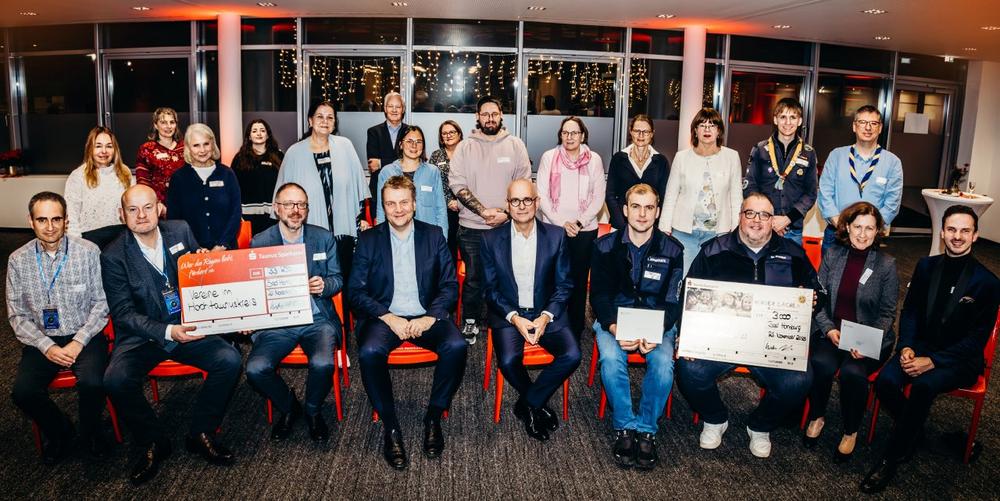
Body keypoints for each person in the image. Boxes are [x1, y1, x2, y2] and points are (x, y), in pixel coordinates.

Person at [101, 185, 242, 485]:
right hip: (143, 336)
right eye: (132, 209)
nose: (141, 215)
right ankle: (153, 440)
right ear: (121, 214)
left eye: (147, 207)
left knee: (229, 360)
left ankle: (200, 432)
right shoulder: (113, 255)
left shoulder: (180, 231)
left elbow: (201, 282)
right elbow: (123, 314)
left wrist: (205, 264)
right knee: (115, 380)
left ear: (159, 208)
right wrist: (167, 331)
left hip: (186, 326)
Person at [860, 205, 1000, 494]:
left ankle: (890, 458)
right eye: (952, 229)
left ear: (975, 236)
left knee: (923, 386)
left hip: (958, 359)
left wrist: (933, 361)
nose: (957, 236)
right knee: (885, 382)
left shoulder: (988, 282)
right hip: (919, 346)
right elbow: (910, 312)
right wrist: (907, 346)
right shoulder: (926, 266)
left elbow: (976, 339)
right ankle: (917, 433)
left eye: (965, 231)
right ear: (943, 233)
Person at [676, 193, 821, 459]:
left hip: (771, 345)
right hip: (720, 341)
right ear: (740, 216)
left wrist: (813, 299)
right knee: (689, 368)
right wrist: (686, 335)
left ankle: (760, 426)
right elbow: (688, 294)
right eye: (750, 213)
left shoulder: (793, 253)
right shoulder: (713, 250)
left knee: (799, 380)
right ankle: (715, 418)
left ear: (772, 220)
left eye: (764, 215)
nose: (757, 220)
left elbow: (818, 293)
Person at [350, 175, 467, 470]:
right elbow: (355, 292)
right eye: (391, 204)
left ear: (414, 204)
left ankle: (433, 416)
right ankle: (390, 426)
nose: (398, 209)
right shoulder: (369, 240)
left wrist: (430, 317)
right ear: (383, 206)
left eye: (404, 202)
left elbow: (449, 286)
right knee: (369, 352)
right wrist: (389, 318)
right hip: (385, 317)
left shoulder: (434, 235)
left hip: (426, 314)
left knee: (456, 346)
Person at [8, 192, 111, 464]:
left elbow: (102, 303)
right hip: (42, 339)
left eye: (56, 219)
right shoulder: (17, 260)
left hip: (85, 335)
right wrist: (47, 346)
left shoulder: (88, 252)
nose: (50, 226)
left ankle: (91, 432)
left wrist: (79, 341)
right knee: (23, 392)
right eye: (42, 219)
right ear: (31, 221)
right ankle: (61, 432)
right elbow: (17, 315)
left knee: (93, 382)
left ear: (66, 221)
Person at [590, 183, 684, 470]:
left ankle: (646, 428)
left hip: (658, 321)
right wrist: (615, 328)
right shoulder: (604, 246)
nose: (642, 214)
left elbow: (674, 300)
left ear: (657, 212)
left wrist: (657, 332)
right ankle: (624, 426)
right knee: (610, 359)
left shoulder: (673, 250)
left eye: (649, 207)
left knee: (663, 364)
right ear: (625, 210)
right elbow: (599, 296)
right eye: (636, 207)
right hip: (616, 319)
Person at [481, 179, 580, 441]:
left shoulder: (556, 236)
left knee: (572, 354)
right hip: (509, 314)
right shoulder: (490, 239)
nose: (522, 206)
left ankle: (529, 404)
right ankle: (535, 404)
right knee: (508, 361)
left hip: (546, 311)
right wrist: (515, 319)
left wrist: (546, 317)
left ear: (537, 202)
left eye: (527, 199)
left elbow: (564, 285)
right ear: (507, 205)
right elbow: (490, 289)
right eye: (515, 200)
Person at [244, 182, 342, 442]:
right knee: (255, 368)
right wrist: (250, 316)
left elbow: (337, 279)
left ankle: (312, 410)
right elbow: (252, 288)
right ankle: (289, 407)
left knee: (323, 363)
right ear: (277, 208)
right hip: (277, 322)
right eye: (288, 204)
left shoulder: (323, 237)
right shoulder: (260, 242)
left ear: (307, 209)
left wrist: (324, 285)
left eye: (301, 205)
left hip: (316, 319)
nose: (295, 210)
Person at [803, 201, 898, 463]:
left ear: (878, 231)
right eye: (858, 227)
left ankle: (850, 430)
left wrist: (867, 342)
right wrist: (829, 330)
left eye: (870, 228)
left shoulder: (886, 265)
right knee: (820, 363)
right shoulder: (833, 255)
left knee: (852, 373)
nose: (863, 234)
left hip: (869, 337)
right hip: (834, 331)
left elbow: (887, 313)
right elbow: (819, 300)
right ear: (847, 227)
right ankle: (817, 415)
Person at [449, 96, 532, 343]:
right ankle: (471, 320)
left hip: (508, 225)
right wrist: (483, 212)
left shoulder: (515, 145)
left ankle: (507, 320)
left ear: (501, 115)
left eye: (494, 114)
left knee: (507, 276)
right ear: (477, 117)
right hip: (471, 227)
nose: (490, 118)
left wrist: (506, 213)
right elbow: (457, 185)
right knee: (474, 278)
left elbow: (524, 183)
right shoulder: (465, 147)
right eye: (485, 114)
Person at [275, 100, 370, 305]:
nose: (324, 121)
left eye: (330, 117)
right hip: (310, 232)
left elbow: (358, 189)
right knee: (314, 282)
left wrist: (361, 218)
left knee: (344, 281)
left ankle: (344, 322)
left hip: (343, 232)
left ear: (334, 123)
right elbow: (282, 196)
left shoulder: (345, 146)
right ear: (310, 121)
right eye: (319, 116)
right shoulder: (294, 153)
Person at [536, 116, 606, 340]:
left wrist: (578, 223)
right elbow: (541, 194)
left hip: (584, 230)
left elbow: (598, 197)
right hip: (553, 228)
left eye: (574, 133)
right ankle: (550, 323)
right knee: (551, 277)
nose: (569, 137)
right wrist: (561, 223)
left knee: (577, 281)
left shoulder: (594, 160)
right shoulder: (549, 157)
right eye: (565, 133)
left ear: (582, 136)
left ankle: (575, 328)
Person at [659, 107, 743, 274]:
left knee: (713, 279)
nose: (707, 129)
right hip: (684, 233)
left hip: (718, 234)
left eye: (712, 125)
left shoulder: (732, 157)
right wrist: (664, 227)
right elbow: (671, 195)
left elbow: (736, 197)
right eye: (702, 125)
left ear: (719, 131)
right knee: (683, 278)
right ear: (695, 131)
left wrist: (737, 230)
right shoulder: (681, 157)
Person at [818, 104, 903, 252]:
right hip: (837, 233)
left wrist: (870, 228)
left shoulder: (892, 162)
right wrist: (840, 224)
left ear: (880, 128)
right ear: (854, 126)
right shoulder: (836, 156)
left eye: (873, 123)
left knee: (866, 269)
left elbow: (892, 202)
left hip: (870, 237)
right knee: (830, 269)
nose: (868, 127)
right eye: (862, 122)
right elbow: (825, 192)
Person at [743, 98, 818, 245]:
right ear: (775, 120)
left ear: (799, 121)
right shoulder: (760, 149)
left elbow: (810, 193)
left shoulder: (808, 153)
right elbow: (750, 186)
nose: (787, 122)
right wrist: (768, 217)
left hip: (793, 230)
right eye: (783, 117)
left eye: (793, 117)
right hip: (762, 227)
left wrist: (787, 219)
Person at [165, 123, 242, 251]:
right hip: (192, 252)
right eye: (196, 145)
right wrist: (195, 248)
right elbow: (174, 221)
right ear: (188, 148)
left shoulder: (227, 174)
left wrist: (222, 245)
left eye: (206, 144)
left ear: (213, 144)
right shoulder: (179, 178)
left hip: (226, 250)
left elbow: (235, 213)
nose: (202, 150)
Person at [376, 125, 448, 236]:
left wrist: (442, 238)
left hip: (428, 236)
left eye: (419, 142)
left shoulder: (433, 172)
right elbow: (381, 210)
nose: (414, 145)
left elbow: (441, 209)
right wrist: (381, 238)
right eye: (409, 141)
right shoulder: (387, 172)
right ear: (401, 144)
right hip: (396, 235)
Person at [64, 126, 133, 238]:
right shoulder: (77, 176)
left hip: (120, 235)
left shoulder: (125, 172)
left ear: (114, 149)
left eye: (109, 146)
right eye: (98, 146)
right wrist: (77, 243)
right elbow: (71, 216)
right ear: (90, 148)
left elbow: (132, 207)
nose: (104, 151)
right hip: (89, 237)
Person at [606, 114, 670, 232]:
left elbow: (663, 197)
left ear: (652, 134)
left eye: (645, 132)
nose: (641, 135)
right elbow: (610, 195)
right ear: (631, 132)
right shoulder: (618, 159)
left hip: (650, 226)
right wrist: (622, 225)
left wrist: (653, 223)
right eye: (637, 131)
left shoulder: (661, 161)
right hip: (620, 225)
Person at [232, 119, 284, 234]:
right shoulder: (240, 158)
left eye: (262, 130)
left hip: (273, 215)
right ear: (249, 136)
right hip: (247, 216)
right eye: (254, 131)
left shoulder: (279, 155)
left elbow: (285, 183)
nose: (259, 134)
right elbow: (233, 187)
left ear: (268, 135)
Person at [135, 107, 185, 208]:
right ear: (155, 125)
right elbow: (142, 182)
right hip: (158, 206)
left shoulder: (185, 147)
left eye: (172, 122)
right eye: (163, 122)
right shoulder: (147, 149)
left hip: (184, 202)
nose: (168, 126)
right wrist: (155, 204)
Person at [367, 91, 409, 207]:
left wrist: (381, 162)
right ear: (385, 109)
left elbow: (412, 160)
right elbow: (373, 165)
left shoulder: (410, 132)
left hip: (405, 190)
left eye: (398, 107)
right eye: (390, 106)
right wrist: (402, 160)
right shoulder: (373, 132)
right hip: (379, 189)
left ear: (403, 109)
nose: (394, 110)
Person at [429, 120, 464, 258]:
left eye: (452, 132)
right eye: (444, 133)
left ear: (459, 134)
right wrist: (449, 200)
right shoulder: (436, 155)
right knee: (448, 248)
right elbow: (432, 182)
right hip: (444, 209)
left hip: (467, 208)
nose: (448, 135)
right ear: (441, 137)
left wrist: (460, 201)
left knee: (468, 249)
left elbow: (475, 180)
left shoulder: (468, 154)